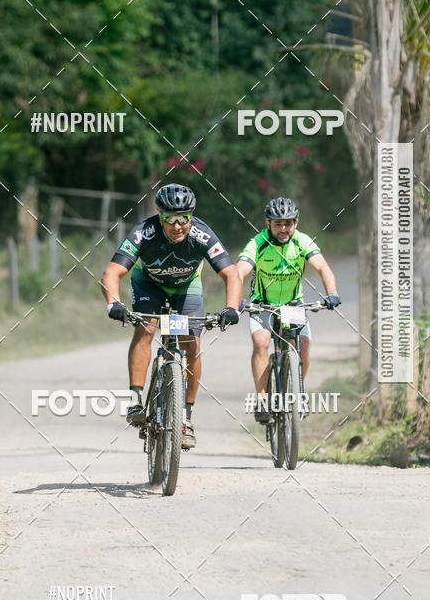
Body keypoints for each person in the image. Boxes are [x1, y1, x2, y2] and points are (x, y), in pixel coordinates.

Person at [101, 183, 241, 448]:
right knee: (146, 329)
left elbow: (231, 274)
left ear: (191, 217)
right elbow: (112, 272)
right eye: (170, 219)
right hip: (148, 284)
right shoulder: (144, 232)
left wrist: (231, 308)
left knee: (192, 343)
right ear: (160, 217)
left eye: (184, 219)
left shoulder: (201, 234)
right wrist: (113, 302)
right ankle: (136, 401)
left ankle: (185, 418)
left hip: (187, 287)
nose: (178, 226)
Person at [236, 197, 340, 423]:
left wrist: (332, 293)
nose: (283, 229)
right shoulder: (258, 243)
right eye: (278, 224)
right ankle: (262, 399)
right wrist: (234, 300)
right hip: (262, 304)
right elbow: (239, 271)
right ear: (268, 224)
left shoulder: (302, 242)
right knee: (261, 342)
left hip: (293, 305)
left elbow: (323, 267)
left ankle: (297, 393)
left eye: (288, 223)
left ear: (296, 223)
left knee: (303, 345)